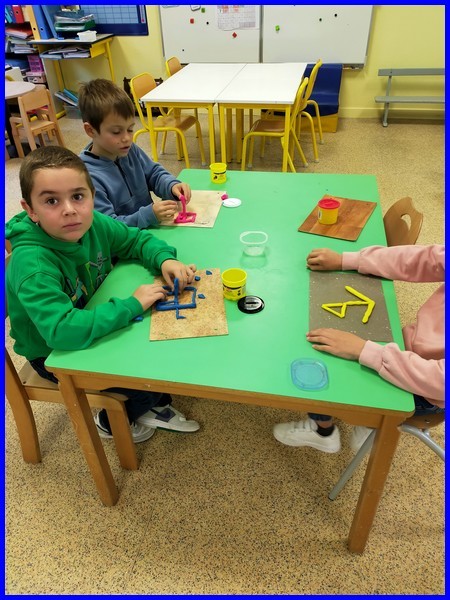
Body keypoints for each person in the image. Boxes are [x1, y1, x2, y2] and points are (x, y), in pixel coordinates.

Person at [6, 146, 200, 443]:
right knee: (146, 379)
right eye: (51, 201)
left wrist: (165, 259)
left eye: (78, 196)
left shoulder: (93, 222)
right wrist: (131, 305)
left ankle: (149, 400)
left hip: (90, 315)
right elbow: (61, 331)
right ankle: (110, 422)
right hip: (51, 353)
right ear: (30, 209)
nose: (70, 209)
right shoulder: (34, 265)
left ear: (92, 196)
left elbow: (135, 239)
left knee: (155, 354)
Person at [273, 245, 445, 453]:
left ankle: (324, 431)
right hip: (404, 349)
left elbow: (439, 381)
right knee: (325, 342)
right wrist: (348, 260)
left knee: (319, 363)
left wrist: (363, 350)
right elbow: (425, 258)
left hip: (424, 392)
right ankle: (364, 423)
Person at [78, 78, 191, 229]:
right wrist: (149, 215)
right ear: (90, 130)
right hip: (125, 240)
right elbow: (109, 228)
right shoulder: (87, 177)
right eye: (116, 132)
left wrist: (171, 186)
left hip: (148, 230)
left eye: (130, 129)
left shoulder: (129, 150)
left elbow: (154, 173)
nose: (127, 138)